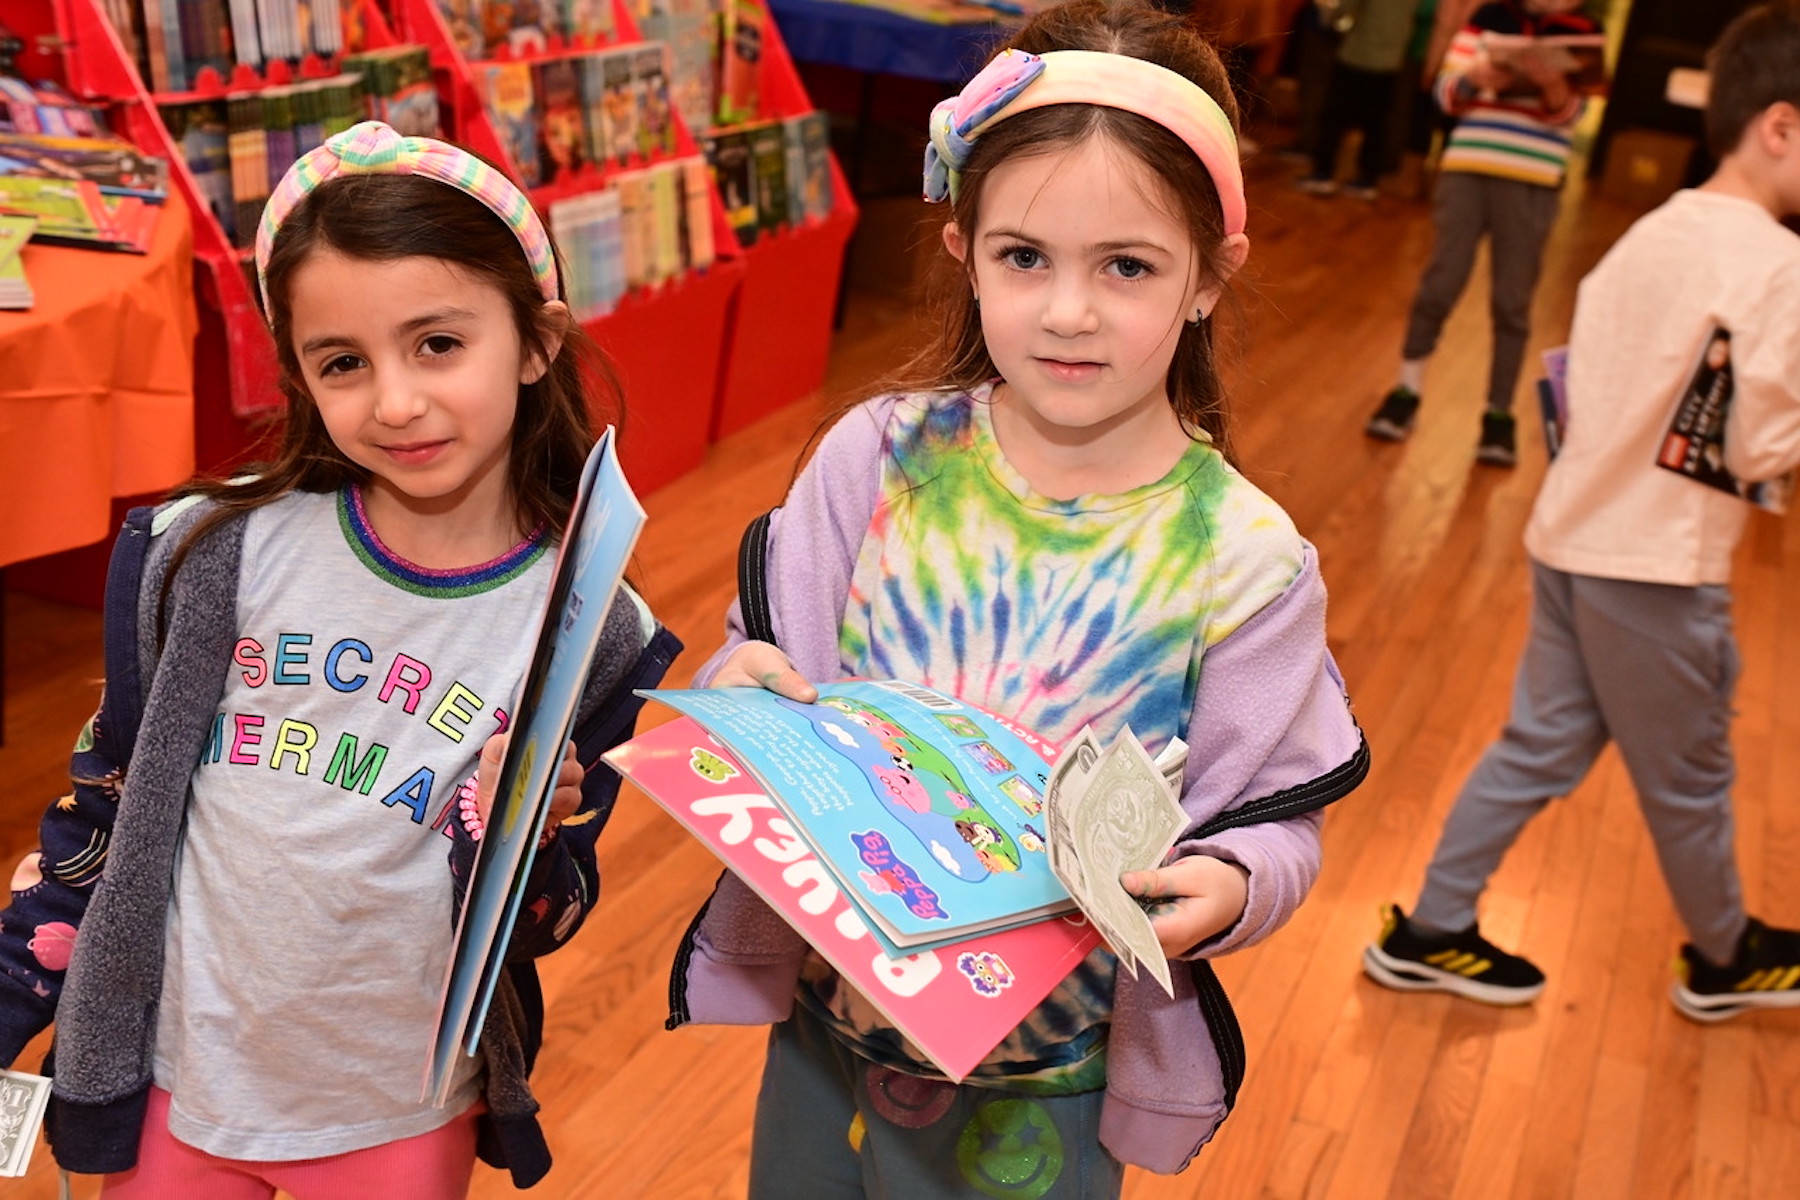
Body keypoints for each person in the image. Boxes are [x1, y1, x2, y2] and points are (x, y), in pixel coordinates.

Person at [666, 2, 1368, 1195]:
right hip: (830, 1036)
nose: (1068, 310)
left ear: (1209, 278)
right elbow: (763, 661)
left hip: (1054, 1085)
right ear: (965, 251)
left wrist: (1237, 885)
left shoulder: (1245, 560)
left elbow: (1277, 820)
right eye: (1024, 257)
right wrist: (737, 703)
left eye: (1128, 267)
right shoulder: (875, 459)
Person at [0, 121, 681, 1194]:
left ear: (538, 340)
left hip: (394, 1108)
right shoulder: (216, 553)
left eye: (438, 344)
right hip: (182, 1074)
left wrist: (518, 833)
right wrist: (17, 982)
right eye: (342, 362)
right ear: (299, 374)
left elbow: (550, 916)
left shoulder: (591, 626)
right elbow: (110, 796)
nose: (396, 401)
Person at [1363, 1, 1800, 1022]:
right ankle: (1726, 958)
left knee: (1540, 743)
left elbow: (1578, 384)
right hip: (1656, 565)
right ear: (1778, 126)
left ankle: (1430, 928)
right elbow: (1757, 448)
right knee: (1690, 776)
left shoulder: (1654, 232)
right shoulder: (1778, 266)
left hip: (1571, 537)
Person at [1363, 0, 1601, 466]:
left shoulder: (1583, 35)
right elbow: (1446, 94)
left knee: (1512, 301)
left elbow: (1573, 114)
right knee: (1440, 283)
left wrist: (1553, 85)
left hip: (1534, 181)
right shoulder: (1488, 20)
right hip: (1466, 171)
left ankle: (1499, 414)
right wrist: (1476, 79)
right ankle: (1408, 389)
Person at [1295, 0, 1427, 199]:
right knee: (1377, 123)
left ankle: (1323, 174)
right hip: (1392, 61)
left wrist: (1327, 14)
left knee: (1333, 116)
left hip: (1357, 55)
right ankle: (1367, 179)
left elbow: (1343, 12)